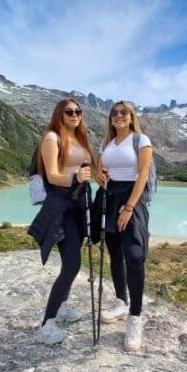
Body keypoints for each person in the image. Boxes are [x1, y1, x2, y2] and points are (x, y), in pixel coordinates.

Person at [28, 99, 94, 345]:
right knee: (72, 265)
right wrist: (75, 177)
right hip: (61, 208)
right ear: (60, 114)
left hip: (78, 207)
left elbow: (86, 171)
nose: (75, 114)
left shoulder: (79, 138)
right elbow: (53, 175)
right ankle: (47, 324)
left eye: (78, 111)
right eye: (69, 111)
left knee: (72, 261)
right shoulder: (51, 139)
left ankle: (63, 307)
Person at [95, 100, 153, 352]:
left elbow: (142, 174)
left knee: (135, 255)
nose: (118, 116)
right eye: (114, 113)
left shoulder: (141, 140)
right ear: (111, 118)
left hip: (132, 199)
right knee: (115, 253)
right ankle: (121, 301)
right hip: (109, 197)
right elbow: (102, 172)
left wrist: (129, 207)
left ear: (131, 117)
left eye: (123, 113)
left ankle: (135, 317)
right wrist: (100, 178)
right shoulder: (105, 143)